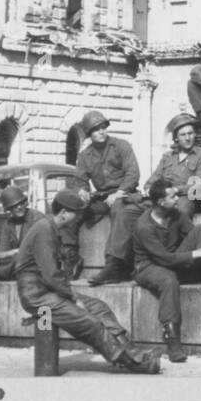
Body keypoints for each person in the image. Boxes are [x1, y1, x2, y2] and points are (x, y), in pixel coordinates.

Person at [14, 190, 159, 375]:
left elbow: (52, 277)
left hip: (49, 291)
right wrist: (74, 298)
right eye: (77, 213)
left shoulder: (50, 227)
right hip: (37, 297)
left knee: (99, 307)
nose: (79, 217)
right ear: (64, 212)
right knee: (90, 322)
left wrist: (71, 296)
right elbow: (51, 275)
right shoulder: (44, 229)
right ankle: (133, 363)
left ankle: (133, 352)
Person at [132, 178, 201, 363]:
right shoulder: (144, 226)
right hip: (148, 266)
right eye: (173, 196)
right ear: (161, 202)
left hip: (171, 260)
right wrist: (199, 252)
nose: (178, 199)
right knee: (168, 280)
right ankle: (172, 341)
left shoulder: (176, 214)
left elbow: (194, 234)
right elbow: (163, 258)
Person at [72, 109, 143, 286]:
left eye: (103, 127)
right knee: (73, 212)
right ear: (89, 134)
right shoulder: (85, 155)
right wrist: (82, 191)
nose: (102, 131)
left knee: (120, 210)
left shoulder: (121, 146)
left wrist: (118, 193)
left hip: (125, 194)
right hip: (102, 197)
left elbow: (133, 174)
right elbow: (80, 180)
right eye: (96, 129)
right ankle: (70, 257)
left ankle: (113, 265)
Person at [0, 186, 46, 282]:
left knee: (15, 263)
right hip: (15, 263)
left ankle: (4, 272)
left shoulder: (37, 219)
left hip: (35, 263)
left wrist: (14, 253)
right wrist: (12, 253)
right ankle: (5, 272)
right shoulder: (8, 225)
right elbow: (1, 253)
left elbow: (40, 249)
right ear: (9, 208)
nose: (19, 207)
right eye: (14, 206)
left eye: (21, 203)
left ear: (25, 203)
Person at [149, 113, 201, 217]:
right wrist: (149, 189)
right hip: (164, 197)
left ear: (195, 134)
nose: (187, 138)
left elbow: (199, 187)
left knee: (180, 211)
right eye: (183, 135)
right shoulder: (168, 156)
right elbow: (154, 178)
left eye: (190, 133)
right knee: (131, 211)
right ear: (176, 138)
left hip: (185, 198)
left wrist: (176, 190)